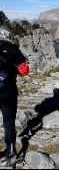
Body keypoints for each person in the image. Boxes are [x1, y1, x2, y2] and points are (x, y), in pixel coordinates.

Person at [0, 34, 29, 166]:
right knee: (8, 122)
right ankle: (11, 153)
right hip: (8, 91)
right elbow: (24, 70)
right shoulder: (10, 47)